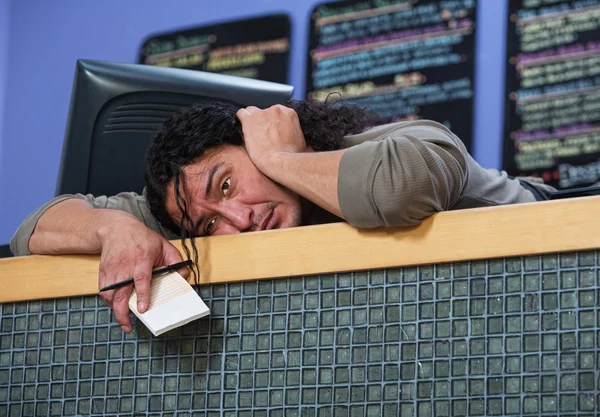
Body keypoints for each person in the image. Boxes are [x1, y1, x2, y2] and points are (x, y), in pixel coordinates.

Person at [10, 99, 555, 333]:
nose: (236, 221)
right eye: (207, 226)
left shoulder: (379, 147)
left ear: (255, 139)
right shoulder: (201, 209)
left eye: (227, 183)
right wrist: (117, 227)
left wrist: (281, 160)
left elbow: (399, 188)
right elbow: (32, 230)